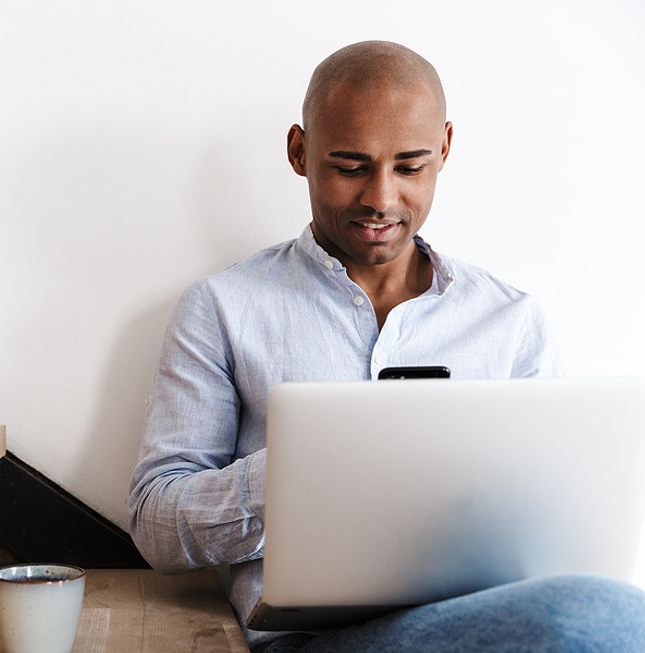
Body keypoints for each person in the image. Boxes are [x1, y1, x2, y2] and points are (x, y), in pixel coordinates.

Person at [127, 41, 645, 652]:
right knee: (598, 617)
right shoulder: (222, 308)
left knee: (605, 610)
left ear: (445, 148)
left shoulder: (512, 320)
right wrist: (302, 474)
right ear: (300, 152)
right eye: (349, 166)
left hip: (477, 624)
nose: (380, 198)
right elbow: (154, 522)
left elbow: (556, 528)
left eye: (410, 167)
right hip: (309, 641)